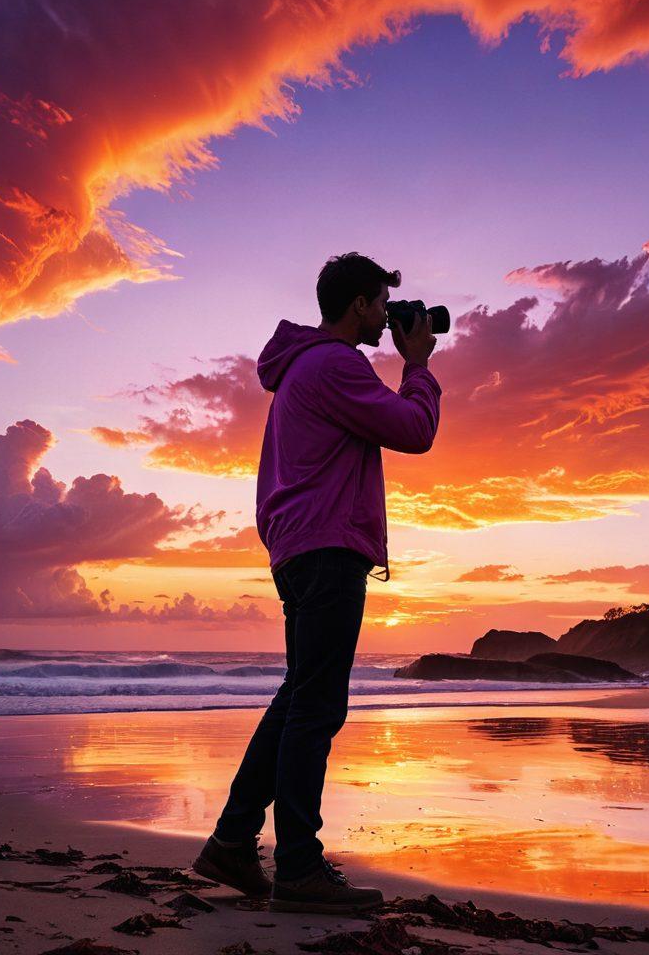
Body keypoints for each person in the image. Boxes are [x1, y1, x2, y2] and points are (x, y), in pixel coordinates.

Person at [192, 253, 441, 914]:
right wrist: (417, 366)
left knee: (298, 697)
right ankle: (298, 865)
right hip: (327, 549)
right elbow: (415, 430)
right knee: (317, 707)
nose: (389, 315)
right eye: (382, 303)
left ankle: (232, 841)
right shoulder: (335, 365)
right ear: (359, 305)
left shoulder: (301, 369)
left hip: (299, 550)